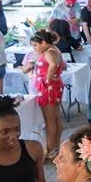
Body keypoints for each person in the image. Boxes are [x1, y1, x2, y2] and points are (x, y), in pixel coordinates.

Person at [30, 30, 65, 160]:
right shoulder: (54, 49)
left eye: (35, 45)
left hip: (48, 88)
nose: (35, 48)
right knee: (55, 118)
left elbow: (53, 65)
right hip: (52, 87)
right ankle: (55, 146)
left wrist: (47, 79)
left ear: (43, 42)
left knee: (50, 120)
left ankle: (50, 148)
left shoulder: (50, 52)